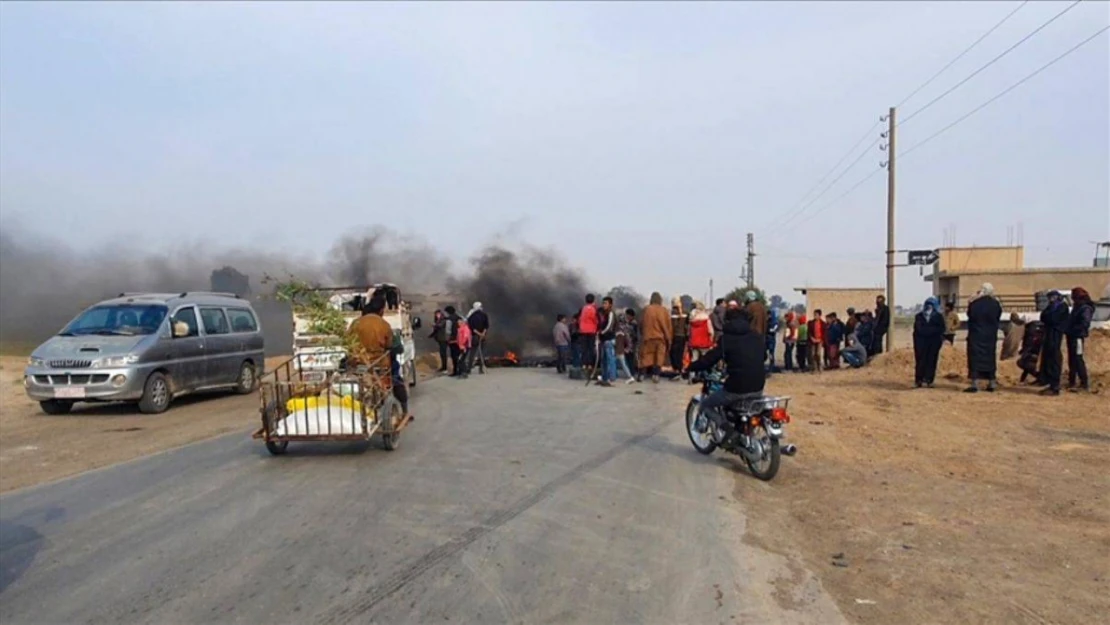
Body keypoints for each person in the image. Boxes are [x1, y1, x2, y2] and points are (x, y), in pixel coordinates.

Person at [685, 307, 767, 432]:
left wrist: (691, 366)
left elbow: (709, 360)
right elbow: (764, 356)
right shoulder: (757, 337)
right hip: (758, 387)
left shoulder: (726, 339)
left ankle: (727, 430)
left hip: (736, 388)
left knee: (706, 405)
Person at [964, 283, 1003, 393]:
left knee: (975, 358)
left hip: (976, 336)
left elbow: (970, 315)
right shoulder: (996, 304)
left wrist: (970, 302)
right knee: (990, 358)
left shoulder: (975, 304)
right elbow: (998, 316)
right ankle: (992, 383)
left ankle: (975, 384)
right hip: (990, 336)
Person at [1038, 290, 1070, 395]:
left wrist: (1049, 317)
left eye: (1052, 297)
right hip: (1049, 335)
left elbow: (1053, 319)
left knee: (1054, 359)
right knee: (1048, 359)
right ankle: (1049, 382)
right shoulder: (1051, 307)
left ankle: (1055, 385)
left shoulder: (1062, 307)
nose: (1050, 299)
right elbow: (1043, 316)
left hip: (1056, 335)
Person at [639, 292, 673, 383]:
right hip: (660, 338)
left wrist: (643, 333)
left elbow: (640, 323)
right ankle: (656, 375)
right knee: (659, 357)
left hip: (647, 337)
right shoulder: (664, 311)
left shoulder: (646, 309)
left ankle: (642, 375)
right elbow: (667, 326)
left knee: (646, 356)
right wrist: (668, 338)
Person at [912, 297, 946, 388]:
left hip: (933, 343)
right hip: (921, 344)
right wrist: (930, 331)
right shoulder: (919, 316)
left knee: (931, 361)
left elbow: (941, 329)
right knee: (920, 361)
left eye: (931, 305)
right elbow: (918, 329)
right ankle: (919, 380)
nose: (929, 307)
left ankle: (929, 380)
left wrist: (929, 331)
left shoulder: (938, 317)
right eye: (927, 304)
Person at [1065, 287, 1094, 393]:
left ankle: (1084, 383)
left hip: (1078, 336)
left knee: (1078, 359)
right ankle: (1072, 381)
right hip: (1071, 335)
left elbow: (1084, 323)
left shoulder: (1085, 308)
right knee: (1072, 360)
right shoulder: (1077, 307)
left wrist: (1073, 329)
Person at [596, 296, 618, 387]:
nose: (604, 305)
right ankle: (605, 378)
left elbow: (609, 326)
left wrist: (602, 332)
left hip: (609, 339)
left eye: (605, 303)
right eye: (603, 303)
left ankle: (611, 378)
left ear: (610, 304)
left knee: (610, 360)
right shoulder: (604, 314)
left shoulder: (611, 313)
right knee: (604, 360)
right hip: (603, 339)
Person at [1017, 320, 1045, 384]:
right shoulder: (1036, 336)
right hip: (1033, 356)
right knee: (1025, 362)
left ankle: (1040, 377)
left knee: (1023, 363)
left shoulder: (1034, 337)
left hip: (1036, 357)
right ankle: (1039, 377)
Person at [466, 301, 490, 375]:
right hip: (483, 336)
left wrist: (479, 334)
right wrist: (482, 334)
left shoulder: (471, 316)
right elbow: (486, 326)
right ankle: (481, 369)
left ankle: (469, 369)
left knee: (472, 353)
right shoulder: (484, 315)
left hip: (474, 336)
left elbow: (471, 328)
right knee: (482, 353)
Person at [614, 307, 636, 384]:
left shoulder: (624, 324)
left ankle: (630, 376)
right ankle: (629, 375)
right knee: (621, 361)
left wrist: (628, 348)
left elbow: (627, 337)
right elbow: (628, 337)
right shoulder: (626, 324)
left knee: (621, 361)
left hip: (622, 345)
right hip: (623, 344)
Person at [578, 294, 599, 373]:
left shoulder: (583, 308)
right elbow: (595, 320)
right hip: (591, 331)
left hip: (583, 331)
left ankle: (584, 364)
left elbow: (580, 319)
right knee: (590, 348)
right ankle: (590, 365)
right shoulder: (594, 309)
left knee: (584, 348)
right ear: (593, 300)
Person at [670, 299, 690, 378]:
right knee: (680, 353)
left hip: (676, 335)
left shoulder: (674, 312)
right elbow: (687, 324)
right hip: (683, 335)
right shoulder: (685, 312)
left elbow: (673, 325)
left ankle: (677, 369)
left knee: (673, 353)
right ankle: (680, 368)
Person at [444, 305, 464, 377]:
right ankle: (461, 370)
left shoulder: (449, 319)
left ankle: (455, 371)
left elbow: (448, 331)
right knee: (460, 355)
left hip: (453, 340)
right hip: (461, 339)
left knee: (453, 356)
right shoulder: (460, 318)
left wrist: (447, 339)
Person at [624, 308, 640, 380]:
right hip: (628, 344)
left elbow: (635, 335)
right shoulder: (629, 323)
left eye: (627, 315)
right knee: (629, 359)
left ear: (631, 316)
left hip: (632, 345)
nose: (626, 316)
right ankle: (631, 373)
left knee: (631, 359)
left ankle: (633, 373)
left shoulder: (634, 324)